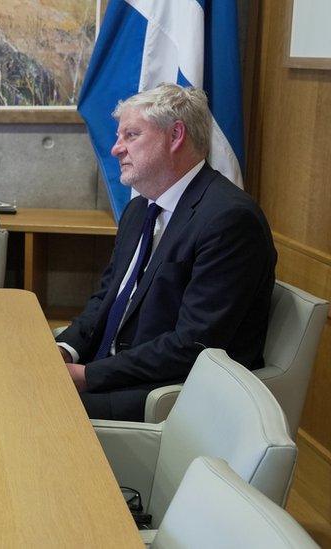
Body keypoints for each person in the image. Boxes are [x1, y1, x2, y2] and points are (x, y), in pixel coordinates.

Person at [56, 83, 276, 421]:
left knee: (33, 405)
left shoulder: (229, 219)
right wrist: (65, 351)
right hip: (112, 369)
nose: (116, 149)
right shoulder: (139, 209)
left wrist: (88, 376)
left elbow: (194, 345)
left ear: (175, 136)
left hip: (168, 393)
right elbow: (106, 298)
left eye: (131, 135)